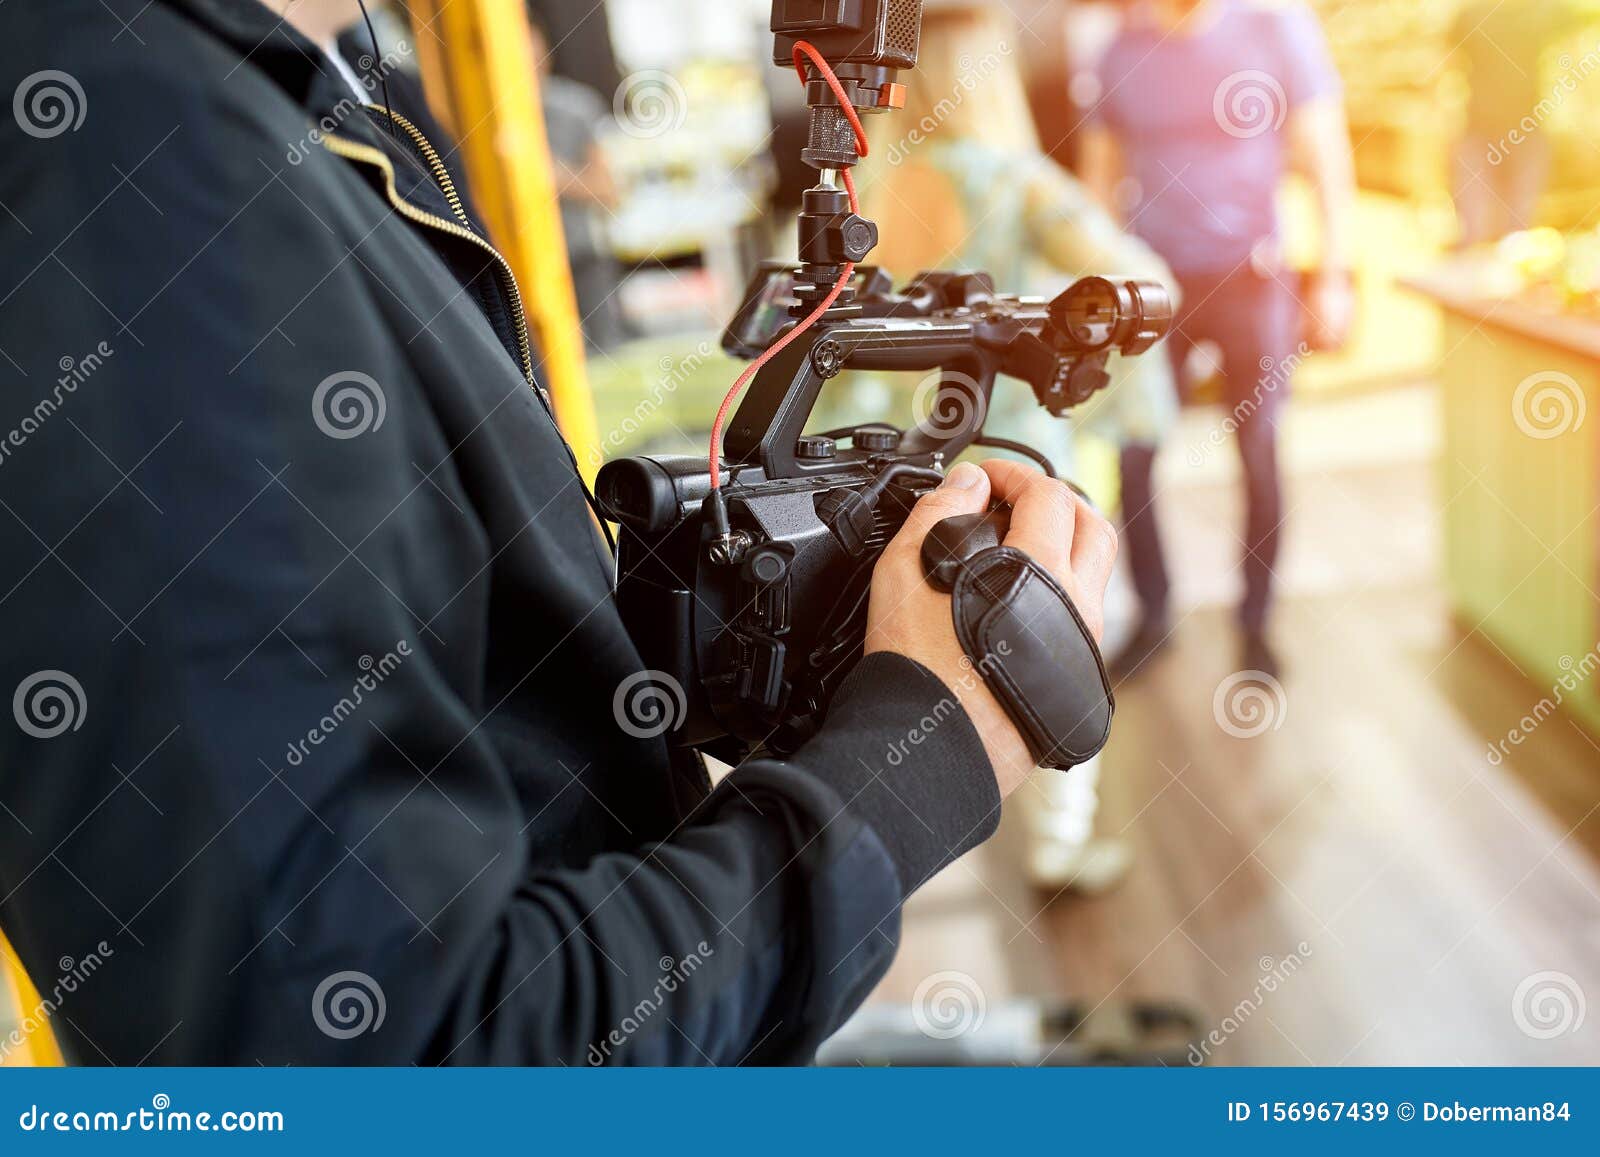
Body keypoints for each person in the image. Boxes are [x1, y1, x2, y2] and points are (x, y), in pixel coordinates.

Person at [0, 0, 1119, 1065]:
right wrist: (904, 769)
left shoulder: (338, 82)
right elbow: (395, 1058)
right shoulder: (127, 153)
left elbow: (462, 666)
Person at [859, 0, 1181, 893]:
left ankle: (911, 838)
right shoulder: (1012, 178)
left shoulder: (873, 189)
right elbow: (1142, 281)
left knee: (925, 638)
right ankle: (1061, 843)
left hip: (906, 457)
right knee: (1052, 632)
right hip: (1015, 450)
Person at [1081, 0, 1358, 679]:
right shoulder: (1120, 48)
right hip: (1154, 286)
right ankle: (1153, 617)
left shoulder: (1275, 26)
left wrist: (1336, 276)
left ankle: (1256, 624)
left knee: (1259, 449)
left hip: (1252, 279)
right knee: (1136, 451)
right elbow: (1097, 179)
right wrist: (1095, 291)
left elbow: (1324, 148)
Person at [526, 10, 630, 352]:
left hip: (582, 262)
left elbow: (609, 190)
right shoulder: (485, 115)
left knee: (605, 358)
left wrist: (551, 177)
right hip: (522, 264)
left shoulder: (576, 106)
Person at [1452, 0, 1580, 248]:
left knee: (1514, 234)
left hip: (1525, 128)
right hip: (1481, 129)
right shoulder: (1473, 15)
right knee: (1484, 229)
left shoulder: (1542, 12)